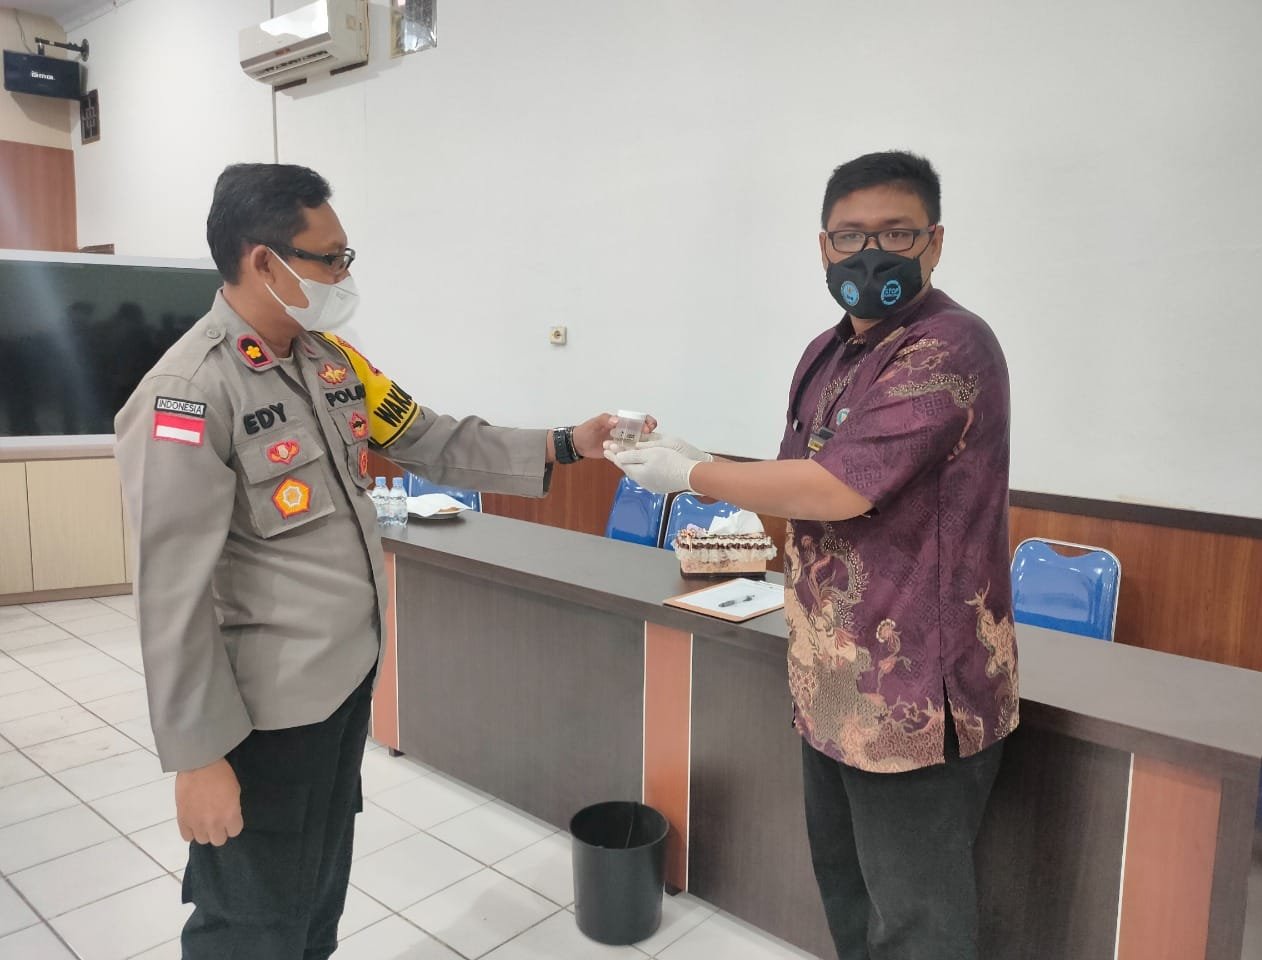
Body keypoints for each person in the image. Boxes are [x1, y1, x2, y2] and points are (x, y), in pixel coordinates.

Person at [115, 162, 648, 959]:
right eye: (331, 258)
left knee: (314, 900)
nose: (344, 275)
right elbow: (171, 594)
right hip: (262, 718)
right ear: (265, 262)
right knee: (252, 920)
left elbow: (430, 437)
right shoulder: (188, 394)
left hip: (339, 690)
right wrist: (198, 758)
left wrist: (568, 443)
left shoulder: (331, 362)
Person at [606, 151, 1016, 960]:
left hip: (915, 695)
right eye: (850, 236)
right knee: (845, 888)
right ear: (823, 247)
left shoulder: (948, 346)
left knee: (916, 921)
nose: (871, 253)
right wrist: (700, 456)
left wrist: (690, 474)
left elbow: (839, 489)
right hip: (829, 679)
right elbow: (798, 481)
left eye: (896, 233)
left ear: (935, 242)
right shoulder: (825, 355)